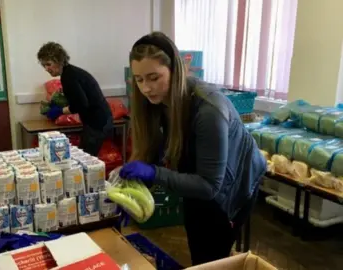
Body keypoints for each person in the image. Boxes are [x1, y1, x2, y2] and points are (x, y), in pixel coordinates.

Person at [117, 32, 266, 266]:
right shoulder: (158, 102)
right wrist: (131, 189)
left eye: (154, 77)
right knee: (197, 239)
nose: (146, 88)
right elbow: (159, 149)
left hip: (232, 185)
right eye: (139, 79)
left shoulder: (208, 111)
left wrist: (154, 173)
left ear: (175, 71)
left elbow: (209, 187)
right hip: (202, 177)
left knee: (211, 256)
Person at [37, 42, 113, 156]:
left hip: (98, 122)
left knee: (86, 159)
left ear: (59, 60)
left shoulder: (68, 76)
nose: (47, 69)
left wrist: (60, 111)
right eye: (44, 65)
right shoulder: (71, 72)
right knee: (85, 156)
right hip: (99, 120)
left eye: (48, 64)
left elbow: (81, 105)